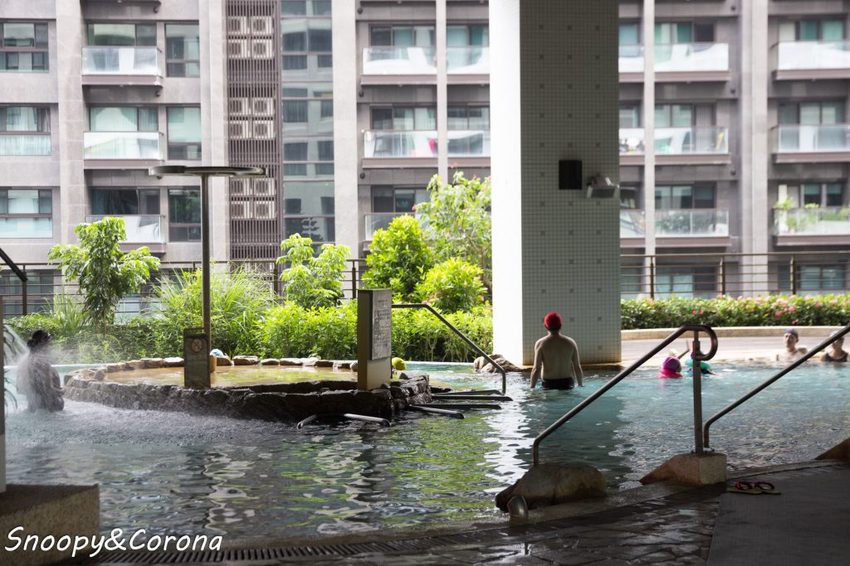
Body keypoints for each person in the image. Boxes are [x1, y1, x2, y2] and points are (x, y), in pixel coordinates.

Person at [530, 311, 584, 390]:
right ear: (560, 325)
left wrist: (532, 388)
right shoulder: (571, 343)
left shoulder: (540, 344)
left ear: (545, 326)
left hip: (549, 384)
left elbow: (536, 369)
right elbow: (577, 366)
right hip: (567, 384)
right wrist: (580, 385)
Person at [16, 330, 64, 412]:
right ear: (44, 342)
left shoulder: (26, 360)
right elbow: (47, 389)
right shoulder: (42, 362)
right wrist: (61, 391)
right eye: (49, 342)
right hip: (47, 410)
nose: (50, 345)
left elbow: (19, 389)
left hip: (33, 408)